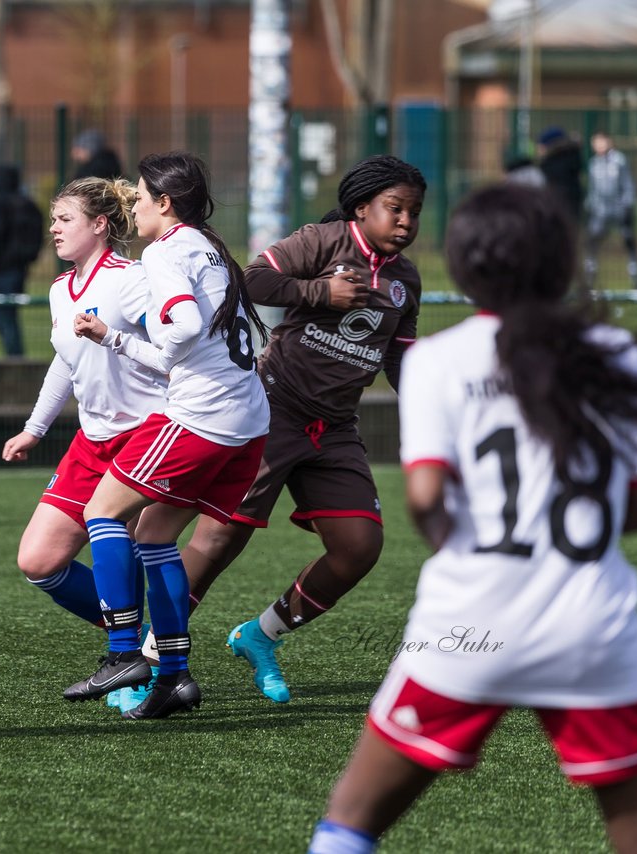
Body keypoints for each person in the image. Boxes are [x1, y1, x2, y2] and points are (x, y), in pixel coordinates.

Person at [305, 182, 637, 854]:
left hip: (468, 627)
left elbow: (425, 497)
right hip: (591, 627)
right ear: (562, 264)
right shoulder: (611, 353)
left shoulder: (437, 362)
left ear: (465, 264)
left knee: (351, 821)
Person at [175, 155, 424, 705]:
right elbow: (254, 278)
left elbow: (402, 360)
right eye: (395, 208)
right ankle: (150, 656)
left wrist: (438, 411)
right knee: (219, 537)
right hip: (273, 409)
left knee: (359, 547)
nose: (406, 221)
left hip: (334, 427)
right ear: (363, 208)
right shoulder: (323, 241)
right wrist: (321, 294)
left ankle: (259, 636)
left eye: (415, 213)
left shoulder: (406, 280)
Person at [68, 151, 270, 720]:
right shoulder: (209, 246)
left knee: (102, 513)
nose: (132, 203)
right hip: (247, 423)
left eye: (138, 195)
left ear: (165, 203)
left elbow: (179, 330)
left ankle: (124, 652)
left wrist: (154, 328)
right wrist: (114, 337)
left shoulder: (164, 250)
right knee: (154, 536)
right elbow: (182, 351)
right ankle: (176, 677)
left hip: (203, 417)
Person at [1, 175, 167, 711]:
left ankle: (129, 656)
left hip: (146, 435)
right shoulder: (58, 289)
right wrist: (35, 428)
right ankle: (138, 640)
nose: (53, 229)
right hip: (91, 441)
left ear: (99, 225)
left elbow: (172, 352)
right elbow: (65, 361)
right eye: (53, 219)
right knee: (38, 560)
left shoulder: (132, 280)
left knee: (138, 544)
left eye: (64, 219)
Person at [0, 164, 43, 357]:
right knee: (9, 313)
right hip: (19, 267)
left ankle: (14, 358)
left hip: (1, 268)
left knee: (5, 316)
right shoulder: (26, 203)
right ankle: (14, 355)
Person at [585, 131, 637, 290]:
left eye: (601, 141)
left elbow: (627, 184)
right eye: (596, 142)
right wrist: (591, 206)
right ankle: (590, 280)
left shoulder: (619, 161)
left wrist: (627, 205)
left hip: (619, 209)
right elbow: (593, 190)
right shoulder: (593, 163)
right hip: (601, 211)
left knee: (628, 241)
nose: (599, 145)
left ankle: (636, 281)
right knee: (592, 244)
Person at [536, 126, 584, 225]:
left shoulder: (553, 166)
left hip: (558, 213)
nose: (538, 150)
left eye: (541, 147)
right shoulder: (571, 158)